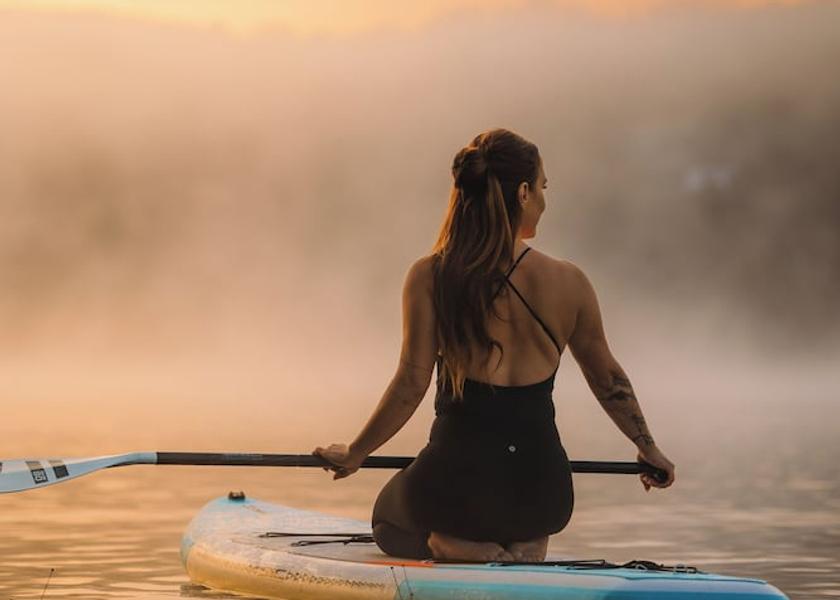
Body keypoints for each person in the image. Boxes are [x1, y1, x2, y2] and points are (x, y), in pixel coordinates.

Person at [314, 128, 675, 563]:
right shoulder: (569, 282)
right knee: (519, 518)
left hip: (457, 487)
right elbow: (607, 378)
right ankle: (521, 548)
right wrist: (647, 446)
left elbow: (412, 383)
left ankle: (456, 545)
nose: (545, 199)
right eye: (543, 187)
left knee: (386, 521)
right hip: (543, 491)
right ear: (523, 192)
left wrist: (355, 453)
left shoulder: (431, 276)